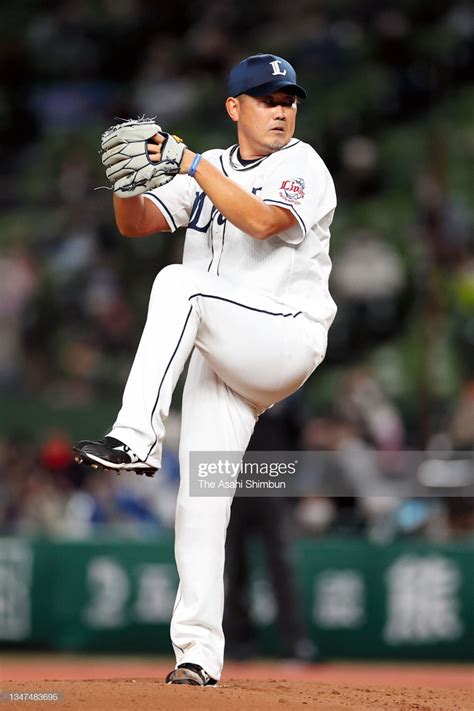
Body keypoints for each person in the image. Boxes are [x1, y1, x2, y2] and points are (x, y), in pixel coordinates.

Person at [74, 53, 337, 686]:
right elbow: (137, 225)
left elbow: (263, 219)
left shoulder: (302, 164)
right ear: (235, 108)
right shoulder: (212, 168)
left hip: (284, 337)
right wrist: (129, 180)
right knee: (200, 502)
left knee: (179, 284)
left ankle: (136, 437)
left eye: (289, 99)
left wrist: (185, 161)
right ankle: (197, 655)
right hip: (223, 352)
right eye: (267, 98)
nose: (282, 109)